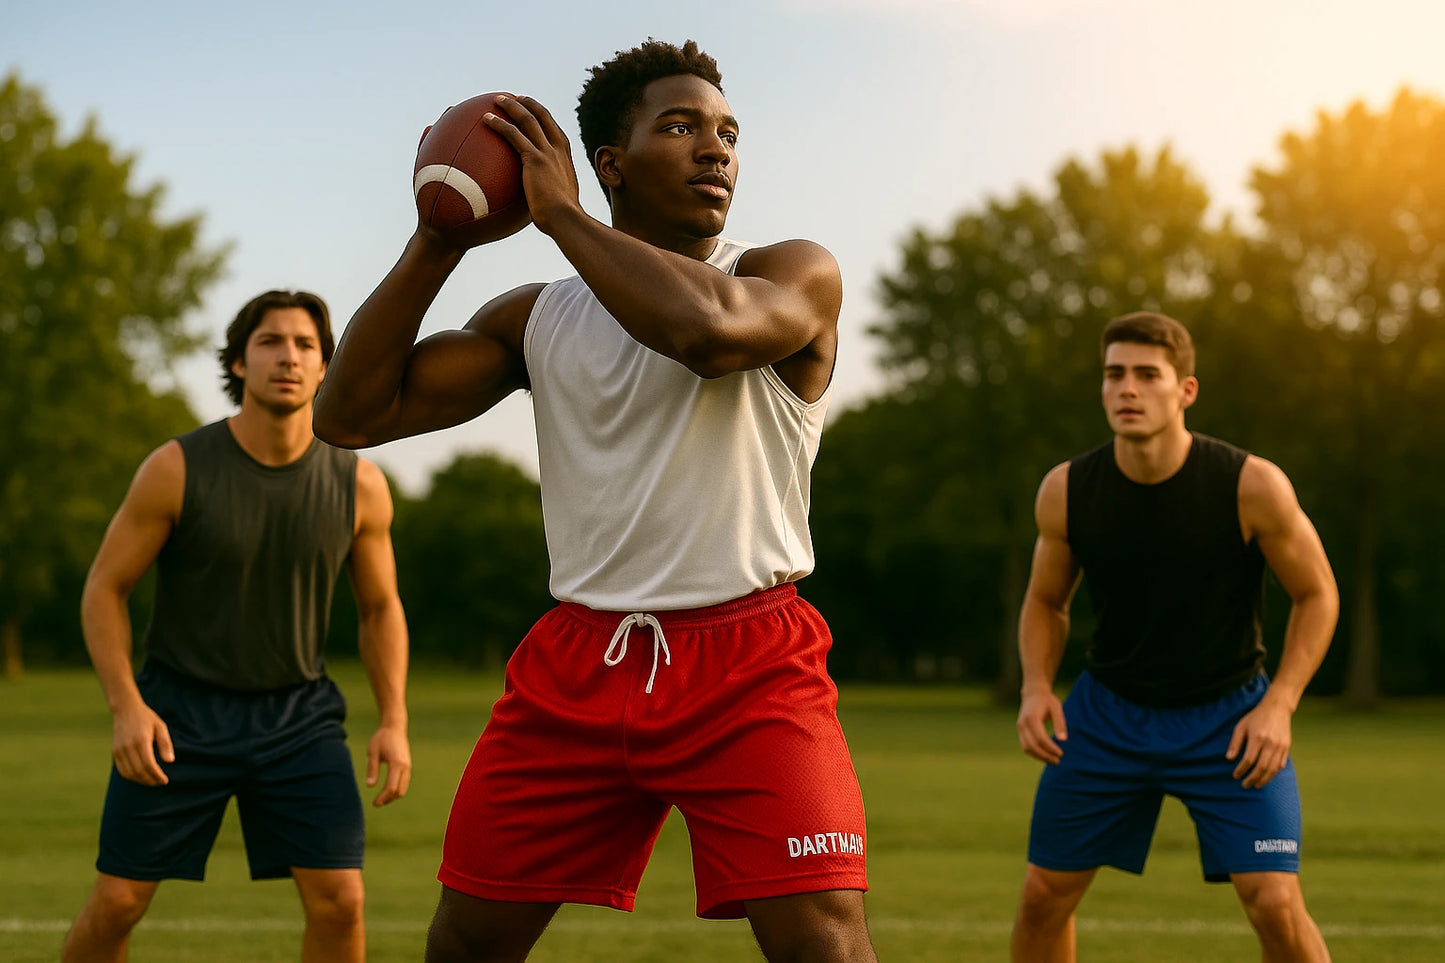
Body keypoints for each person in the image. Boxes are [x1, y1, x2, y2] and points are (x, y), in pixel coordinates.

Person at [313, 38, 875, 963]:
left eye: (728, 132)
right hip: (580, 660)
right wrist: (436, 241)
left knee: (823, 943)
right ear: (612, 162)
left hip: (748, 663)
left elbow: (707, 333)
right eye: (681, 127)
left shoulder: (790, 271)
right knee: (466, 941)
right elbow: (349, 414)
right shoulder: (537, 315)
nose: (716, 149)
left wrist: (562, 215)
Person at [63, 290, 412, 963]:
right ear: (238, 363)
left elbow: (380, 608)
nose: (289, 357)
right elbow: (104, 588)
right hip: (177, 714)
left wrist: (393, 719)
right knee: (118, 902)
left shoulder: (360, 483)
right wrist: (126, 706)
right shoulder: (175, 467)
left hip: (298, 719)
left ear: (325, 366)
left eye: (305, 345)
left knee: (341, 900)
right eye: (270, 341)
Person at [1009, 311, 1338, 962]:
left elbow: (1317, 593)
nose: (1126, 388)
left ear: (1185, 390)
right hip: (1108, 716)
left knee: (1273, 900)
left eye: (1146, 374)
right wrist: (1036, 686)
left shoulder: (1250, 484)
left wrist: (1280, 704)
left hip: (1229, 718)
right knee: (1043, 896)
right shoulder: (1067, 489)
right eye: (1113, 374)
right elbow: (1046, 601)